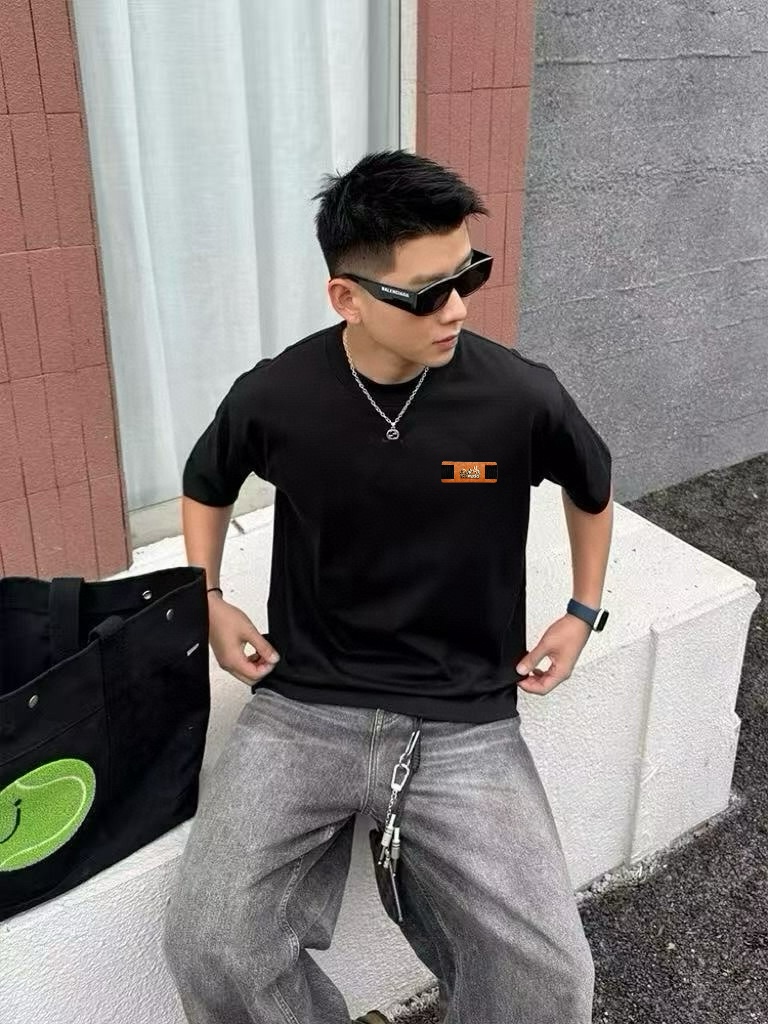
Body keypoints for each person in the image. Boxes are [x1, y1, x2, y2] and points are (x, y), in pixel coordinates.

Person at [163, 149, 614, 1024]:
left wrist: (582, 610)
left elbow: (591, 486)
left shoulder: (517, 396)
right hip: (304, 705)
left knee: (550, 978)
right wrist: (207, 598)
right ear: (348, 297)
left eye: (469, 274)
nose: (458, 308)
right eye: (427, 292)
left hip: (464, 718)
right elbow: (205, 482)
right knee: (210, 941)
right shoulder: (278, 396)